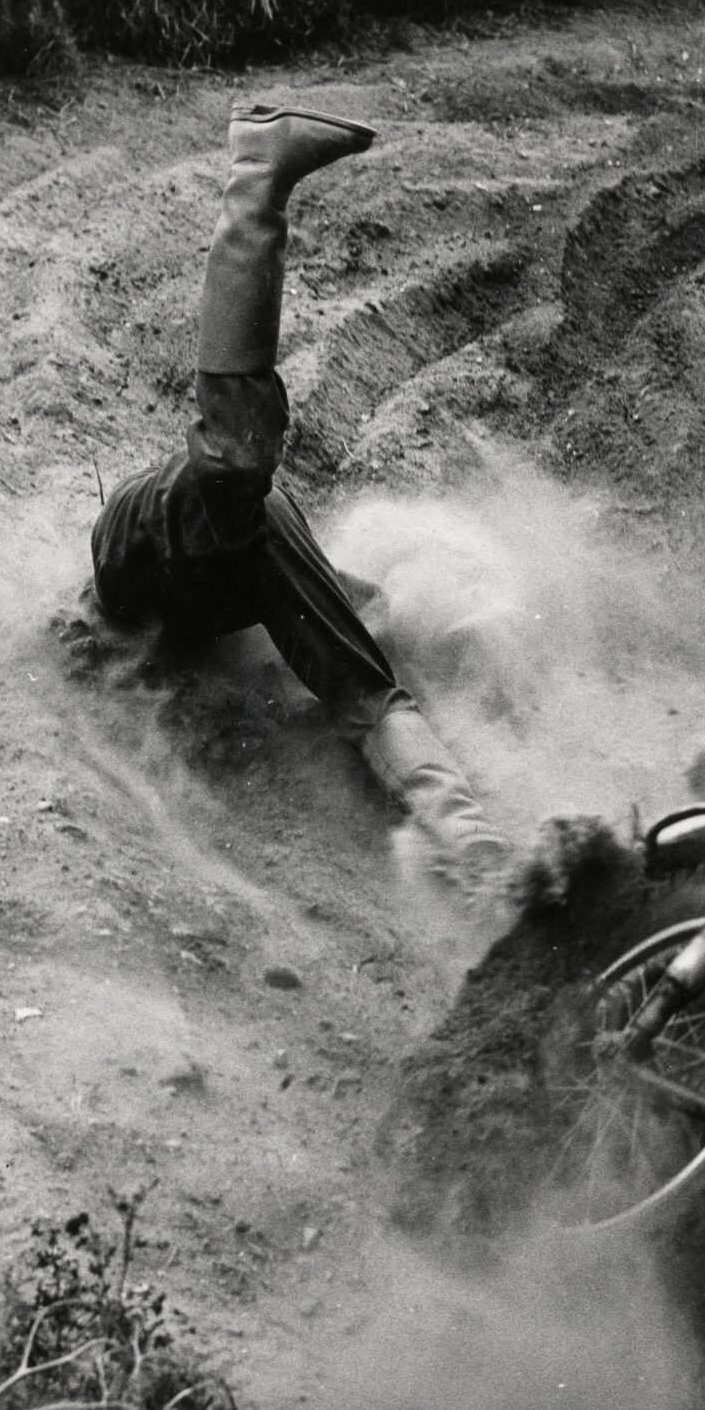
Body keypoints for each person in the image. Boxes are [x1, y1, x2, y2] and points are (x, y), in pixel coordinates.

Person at [88, 104, 510, 894]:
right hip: (148, 533)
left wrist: (478, 854)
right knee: (240, 457)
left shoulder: (310, 596)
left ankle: (261, 166)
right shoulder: (256, 523)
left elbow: (369, 700)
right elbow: (369, 695)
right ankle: (259, 166)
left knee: (258, 496)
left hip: (201, 564)